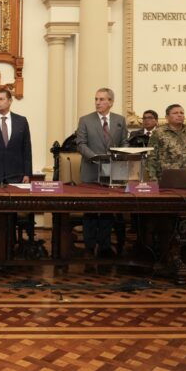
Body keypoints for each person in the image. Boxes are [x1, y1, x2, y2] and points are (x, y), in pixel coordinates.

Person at [75, 88, 128, 257]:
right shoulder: (85, 120)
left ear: (111, 102)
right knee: (90, 210)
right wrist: (95, 158)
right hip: (91, 169)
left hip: (113, 171)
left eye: (102, 99)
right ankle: (89, 246)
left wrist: (120, 154)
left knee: (107, 209)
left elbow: (124, 142)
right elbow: (81, 144)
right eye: (96, 99)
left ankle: (105, 247)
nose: (98, 102)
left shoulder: (120, 120)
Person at [146, 104, 186, 189]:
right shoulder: (158, 133)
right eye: (175, 113)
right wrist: (153, 179)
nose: (179, 115)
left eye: (181, 113)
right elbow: (151, 157)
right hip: (165, 177)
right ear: (167, 117)